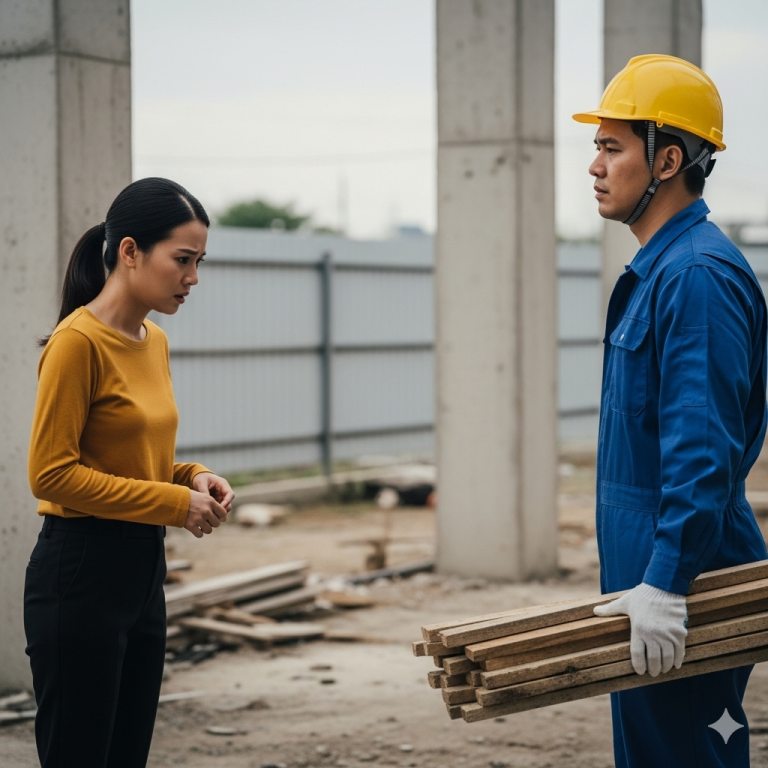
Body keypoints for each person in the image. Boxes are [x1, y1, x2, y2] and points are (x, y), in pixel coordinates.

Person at [573, 55, 768, 767]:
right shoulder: (663, 270)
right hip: (655, 573)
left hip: (689, 581)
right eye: (596, 146)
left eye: (611, 146)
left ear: (669, 158)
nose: (594, 165)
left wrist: (666, 583)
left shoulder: (694, 278)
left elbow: (701, 447)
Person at [25, 177, 235, 768]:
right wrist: (174, 506)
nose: (193, 277)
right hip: (81, 572)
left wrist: (191, 476)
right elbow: (51, 475)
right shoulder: (76, 344)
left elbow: (136, 458)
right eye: (183, 260)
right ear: (130, 252)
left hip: (142, 573)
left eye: (199, 262)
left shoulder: (153, 342)